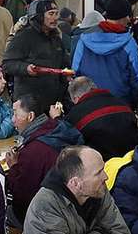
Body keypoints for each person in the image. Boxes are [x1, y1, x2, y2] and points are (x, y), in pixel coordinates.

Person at [9, 145, 130, 234]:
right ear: (75, 183)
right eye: (98, 173)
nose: (106, 176)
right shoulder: (44, 208)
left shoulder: (98, 190)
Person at [5, 94, 84, 223]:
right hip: (73, 203)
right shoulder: (57, 127)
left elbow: (22, 195)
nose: (12, 120)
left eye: (15, 114)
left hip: (46, 216)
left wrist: (14, 166)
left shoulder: (34, 150)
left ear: (30, 116)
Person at [72, 0, 138, 106]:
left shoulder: (84, 39)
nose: (129, 19)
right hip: (119, 103)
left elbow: (75, 71)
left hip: (89, 102)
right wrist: (133, 102)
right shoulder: (129, 43)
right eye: (127, 16)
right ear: (122, 17)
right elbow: (136, 79)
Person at [3, 0, 71, 110]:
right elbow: (7, 64)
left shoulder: (56, 37)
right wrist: (25, 68)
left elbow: (64, 62)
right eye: (51, 14)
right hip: (29, 102)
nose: (55, 18)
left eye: (56, 13)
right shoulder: (24, 36)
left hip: (53, 101)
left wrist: (67, 74)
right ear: (38, 16)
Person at [65, 75, 138, 160]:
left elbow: (66, 139)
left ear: (76, 98)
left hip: (102, 165)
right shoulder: (121, 103)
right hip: (131, 159)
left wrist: (56, 118)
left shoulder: (75, 115)